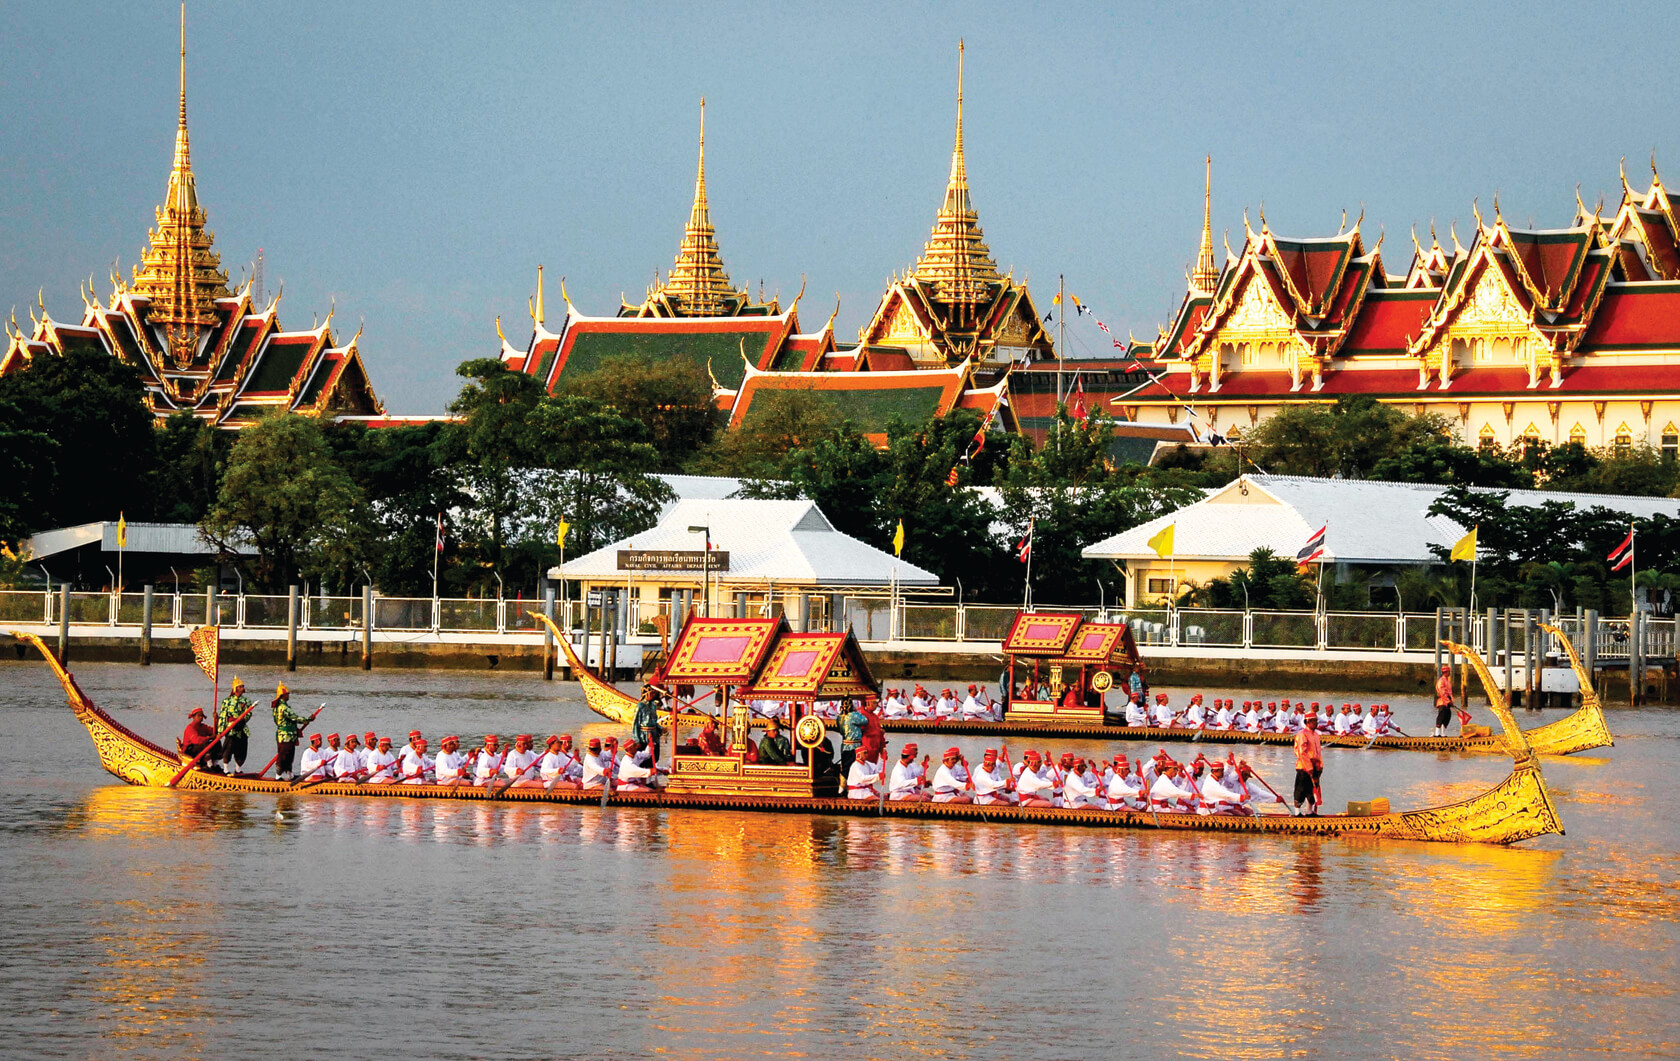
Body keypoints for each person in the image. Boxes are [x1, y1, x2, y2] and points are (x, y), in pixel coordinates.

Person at [270, 683, 314, 781]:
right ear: (283, 695)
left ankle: (290, 774)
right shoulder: (283, 707)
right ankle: (278, 776)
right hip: (285, 735)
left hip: (289, 735)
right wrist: (307, 719)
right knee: (283, 755)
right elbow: (294, 717)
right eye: (287, 694)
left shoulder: (283, 706)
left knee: (290, 754)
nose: (288, 695)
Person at [214, 676, 254, 774]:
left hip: (242, 727)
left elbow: (249, 713)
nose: (242, 688)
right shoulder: (227, 701)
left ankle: (238, 769)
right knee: (228, 747)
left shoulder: (246, 701)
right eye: (240, 687)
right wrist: (220, 731)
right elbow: (223, 716)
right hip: (231, 728)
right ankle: (226, 769)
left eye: (242, 687)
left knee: (242, 749)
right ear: (235, 688)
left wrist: (243, 718)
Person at [1293, 713, 1324, 816]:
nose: (1316, 723)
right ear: (1308, 722)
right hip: (1303, 767)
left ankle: (1309, 811)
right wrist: (1309, 767)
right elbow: (1302, 752)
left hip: (1314, 766)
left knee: (1312, 789)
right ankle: (1297, 812)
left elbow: (1318, 752)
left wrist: (1320, 765)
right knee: (1301, 789)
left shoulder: (1316, 735)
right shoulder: (1302, 734)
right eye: (1314, 721)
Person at [633, 685, 663, 763]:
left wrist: (661, 729)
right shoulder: (640, 706)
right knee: (644, 757)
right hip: (644, 734)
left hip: (654, 733)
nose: (653, 695)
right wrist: (637, 740)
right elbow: (635, 723)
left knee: (655, 756)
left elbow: (654, 721)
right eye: (651, 693)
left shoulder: (653, 705)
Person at [838, 700, 866, 777]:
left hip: (844, 745)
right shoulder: (853, 715)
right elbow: (865, 720)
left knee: (845, 766)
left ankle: (842, 785)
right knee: (855, 767)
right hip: (854, 746)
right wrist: (856, 711)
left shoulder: (840, 717)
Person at [1433, 664, 1455, 737]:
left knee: (1447, 717)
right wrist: (1448, 701)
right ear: (1446, 672)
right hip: (1443, 702)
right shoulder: (1441, 681)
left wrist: (1450, 701)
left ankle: (1442, 733)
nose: (1449, 673)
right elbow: (1443, 692)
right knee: (1441, 717)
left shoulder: (1447, 681)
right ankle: (1437, 733)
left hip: (1447, 702)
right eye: (1449, 672)